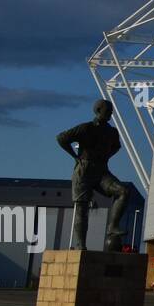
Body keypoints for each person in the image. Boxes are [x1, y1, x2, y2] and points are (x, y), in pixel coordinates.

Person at [56, 100, 129, 251]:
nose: (110, 113)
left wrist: (106, 156)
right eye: (107, 110)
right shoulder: (86, 128)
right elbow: (61, 138)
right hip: (84, 171)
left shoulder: (112, 132)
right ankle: (81, 245)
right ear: (98, 110)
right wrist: (75, 156)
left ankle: (113, 226)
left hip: (102, 171)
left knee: (123, 191)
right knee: (82, 209)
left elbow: (117, 147)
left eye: (111, 110)